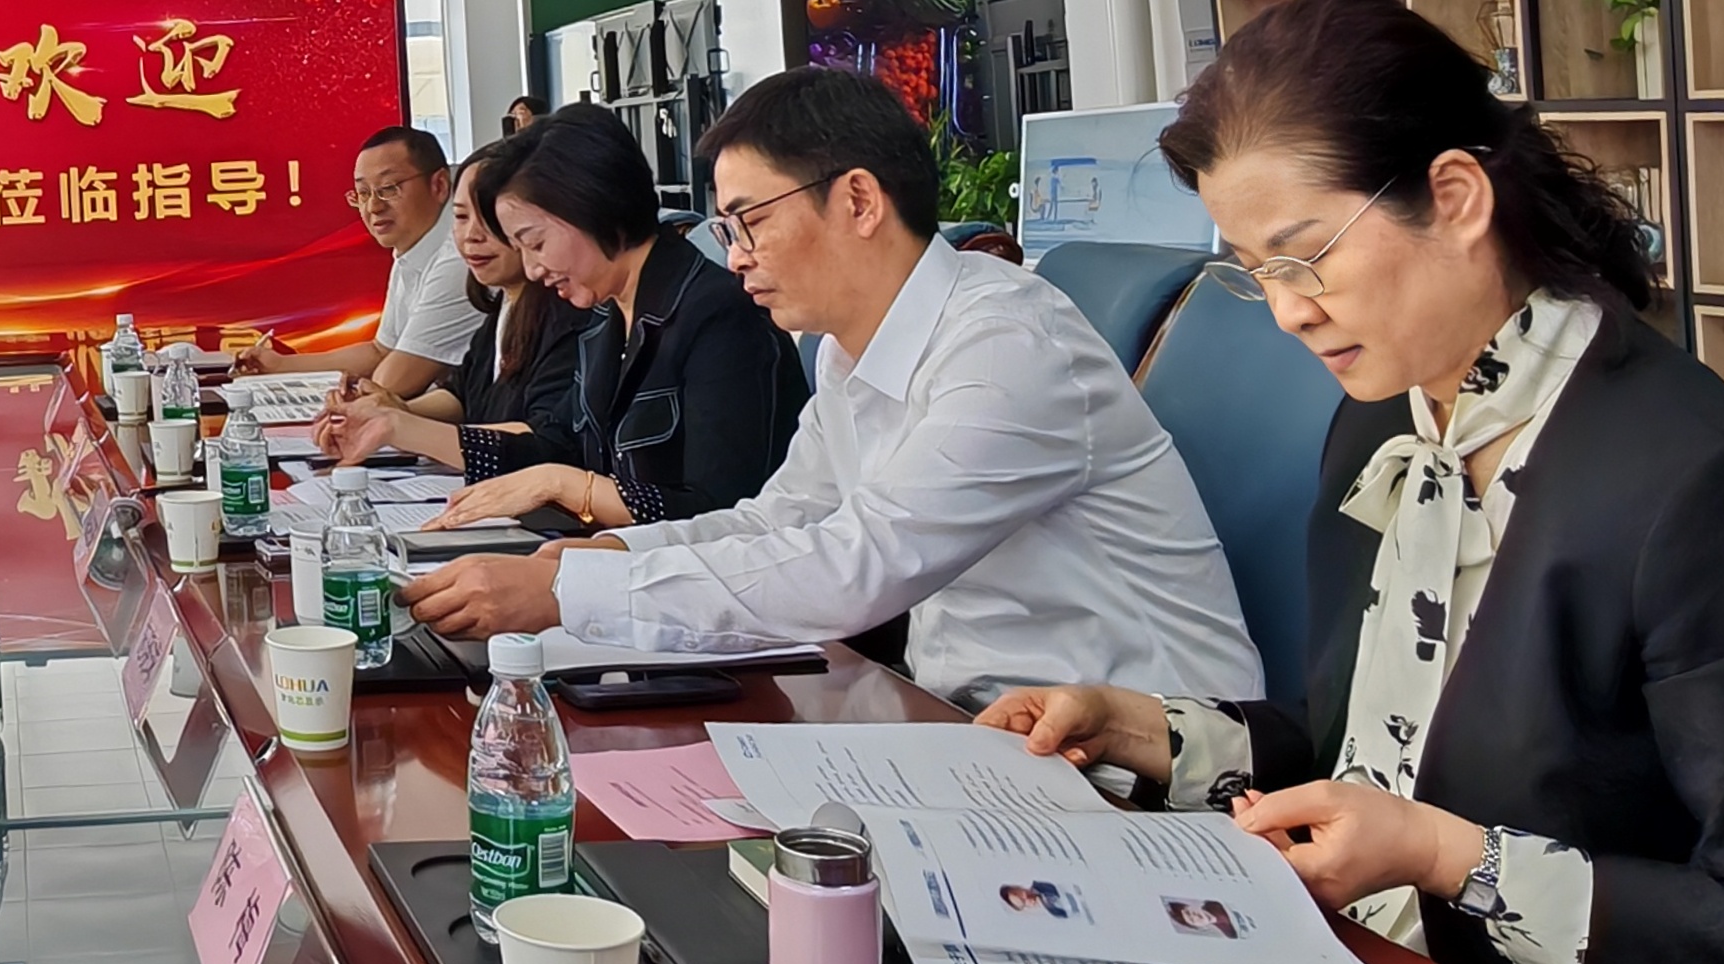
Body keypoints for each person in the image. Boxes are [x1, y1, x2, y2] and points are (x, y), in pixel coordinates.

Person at [978, 0, 1724, 964]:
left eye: (1305, 256)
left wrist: (1448, 856)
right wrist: (1145, 729)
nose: (1288, 310)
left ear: (1454, 196)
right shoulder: (1387, 419)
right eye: (1251, 271)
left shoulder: (1702, 490)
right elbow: (1379, 747)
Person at [407, 68, 1257, 713]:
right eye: (726, 229)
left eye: (751, 221)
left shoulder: (1006, 347)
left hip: (1139, 763)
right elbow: (780, 521)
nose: (736, 256)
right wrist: (607, 558)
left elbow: (857, 565)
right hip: (978, 724)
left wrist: (567, 595)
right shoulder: (853, 354)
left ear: (857, 201)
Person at [396, 104, 805, 526]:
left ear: (592, 209)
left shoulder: (719, 319)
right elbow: (557, 444)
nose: (532, 270)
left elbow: (716, 511)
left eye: (536, 244)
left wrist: (564, 485)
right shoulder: (606, 317)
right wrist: (399, 429)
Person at [313, 141, 590, 471]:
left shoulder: (568, 312)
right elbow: (461, 394)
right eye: (460, 217)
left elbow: (544, 441)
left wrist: (401, 426)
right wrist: (390, 411)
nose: (472, 235)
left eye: (490, 217)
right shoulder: (503, 303)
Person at [247, 126, 480, 397]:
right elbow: (380, 351)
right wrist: (280, 366)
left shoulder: (460, 258)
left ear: (439, 185)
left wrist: (343, 395)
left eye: (388, 188)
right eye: (363, 193)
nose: (373, 207)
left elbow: (393, 381)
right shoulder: (412, 248)